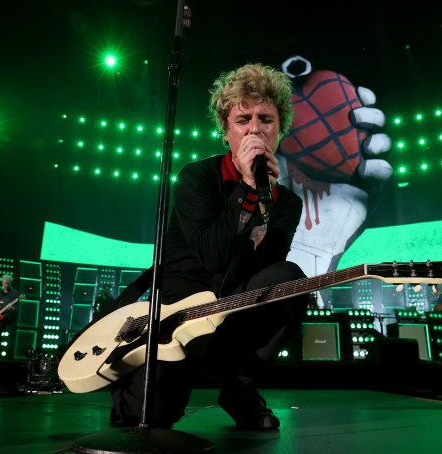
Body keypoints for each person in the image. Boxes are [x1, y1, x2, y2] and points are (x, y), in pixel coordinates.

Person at [109, 63, 309, 431]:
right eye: (242, 119)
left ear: (280, 128)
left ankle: (240, 388)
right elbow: (213, 257)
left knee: (289, 279)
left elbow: (266, 268)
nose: (254, 129)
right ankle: (134, 382)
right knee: (147, 420)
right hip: (178, 318)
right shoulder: (197, 177)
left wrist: (263, 200)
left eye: (265, 118)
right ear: (225, 130)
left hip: (232, 312)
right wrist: (247, 189)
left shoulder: (288, 203)